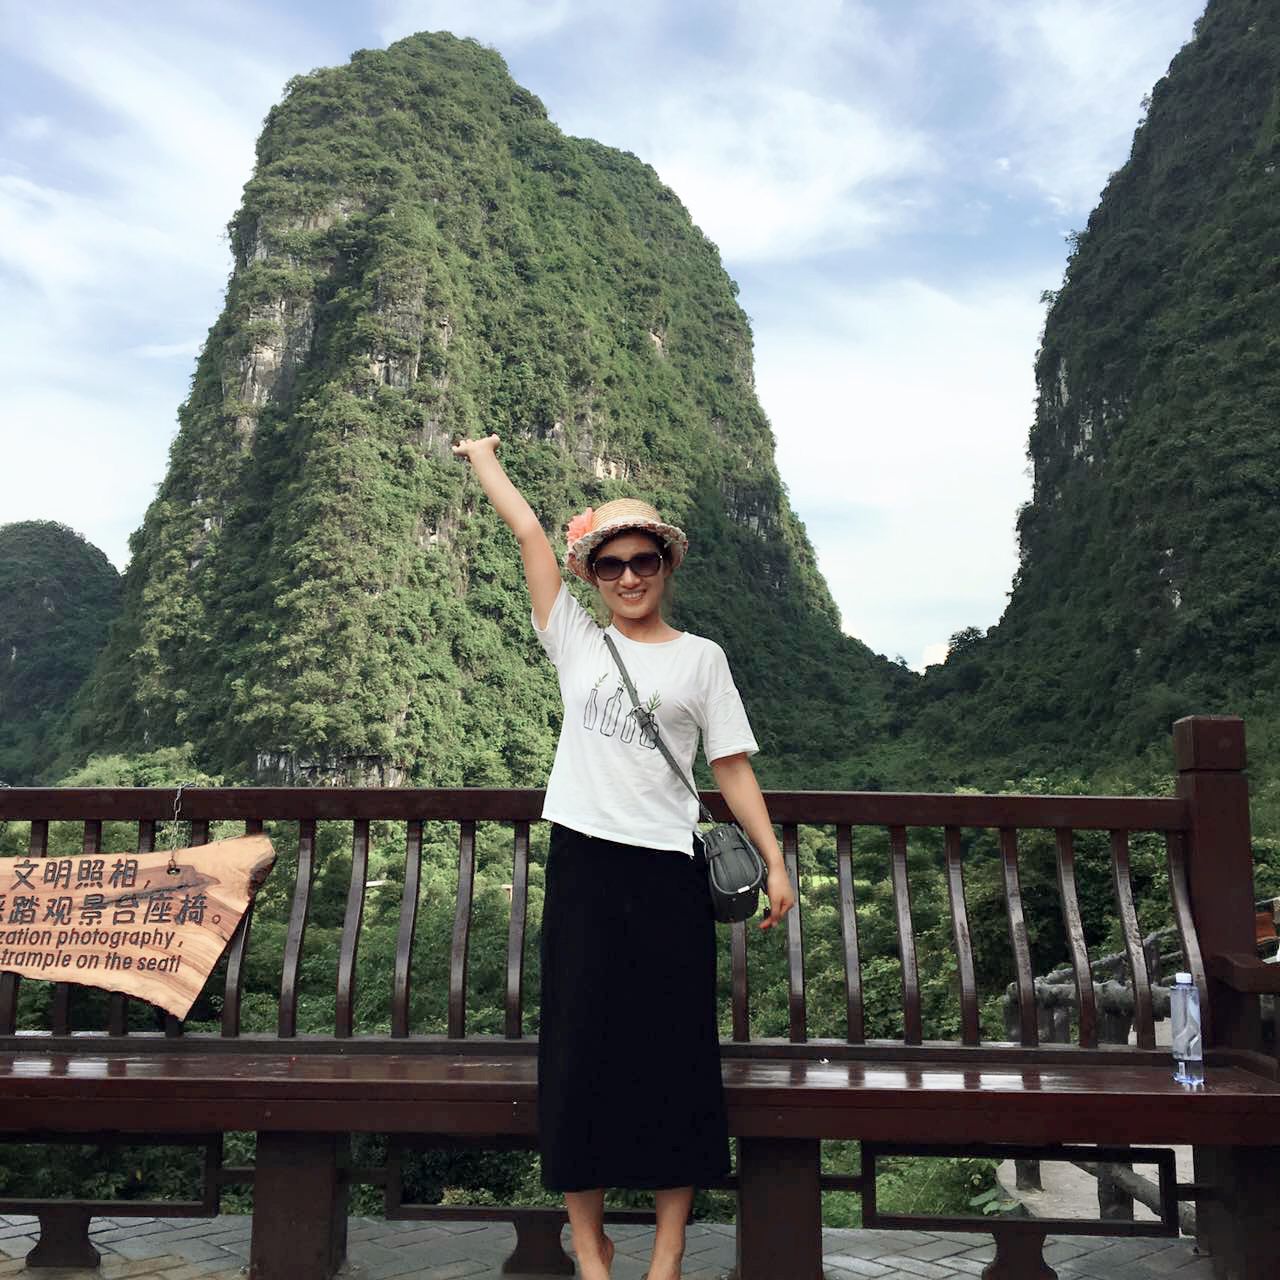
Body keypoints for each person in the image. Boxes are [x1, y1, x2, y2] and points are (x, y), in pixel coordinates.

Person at [451, 432, 795, 1280]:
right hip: (585, 868)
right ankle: (592, 1248)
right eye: (611, 565)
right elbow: (530, 535)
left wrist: (775, 861)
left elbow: (730, 766)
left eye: (644, 561)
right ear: (593, 575)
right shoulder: (573, 637)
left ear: (666, 566)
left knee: (676, 1054)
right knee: (579, 1054)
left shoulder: (702, 659)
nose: (630, 577)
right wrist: (484, 458)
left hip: (669, 873)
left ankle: (667, 1252)